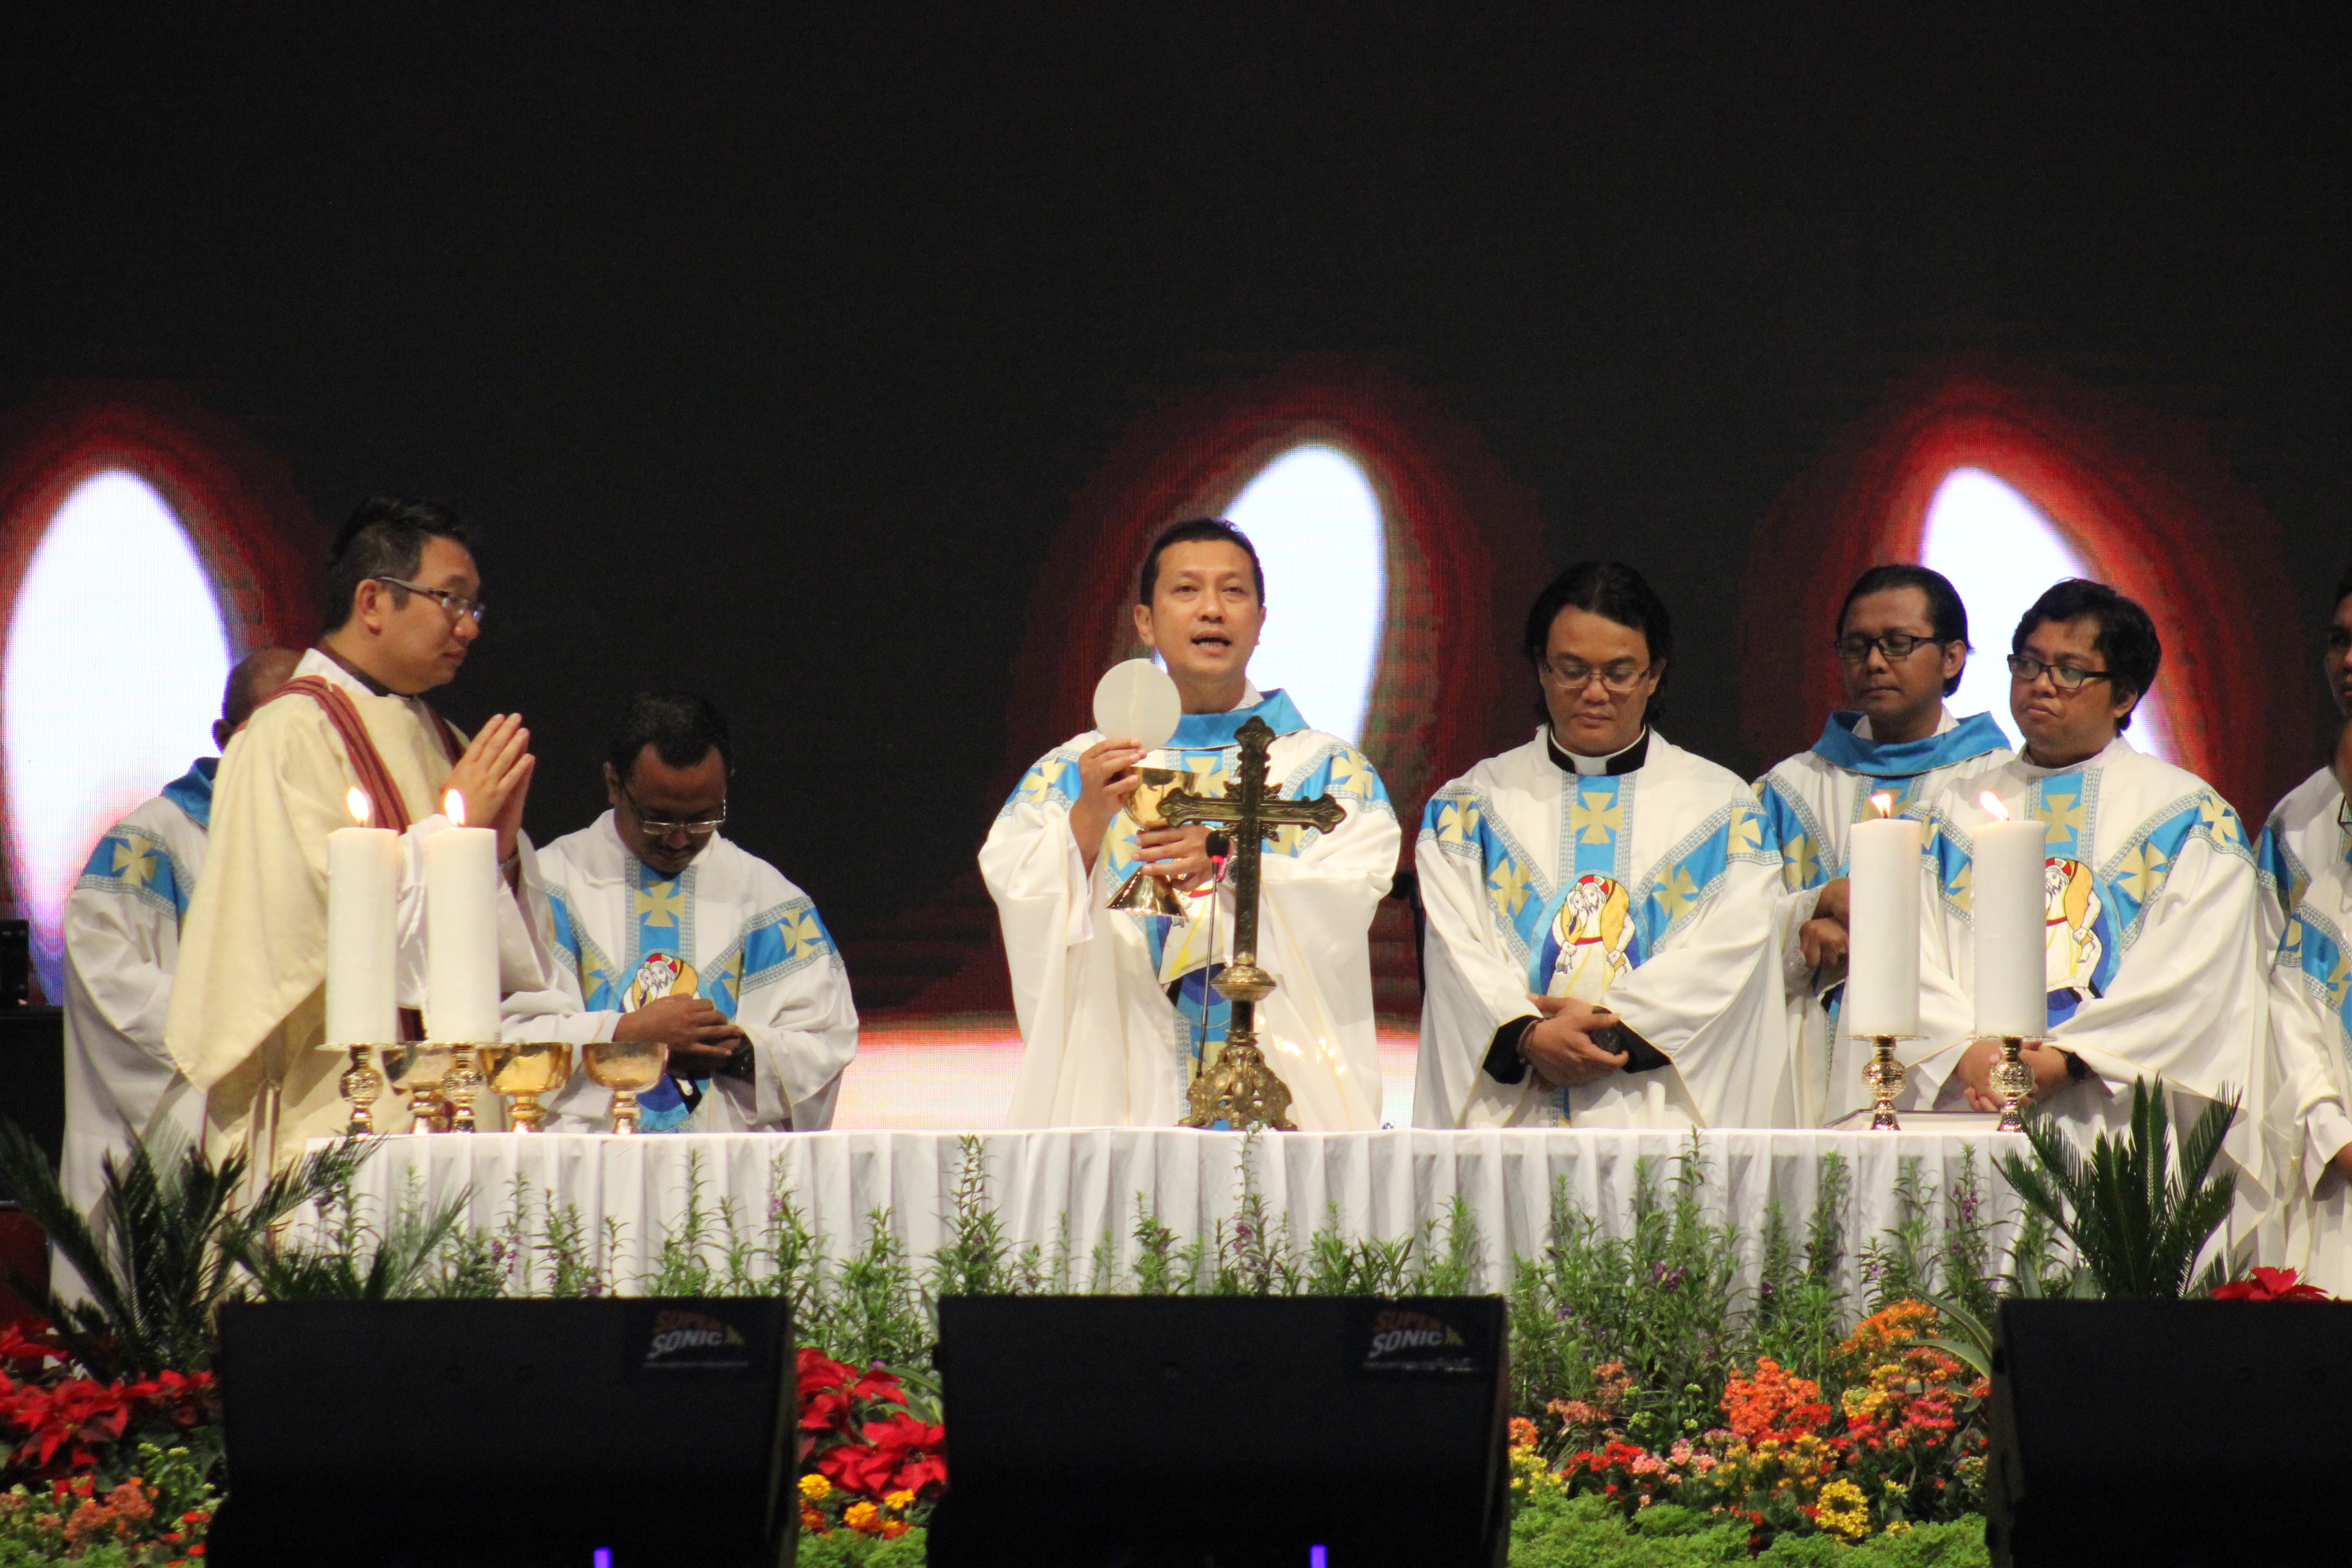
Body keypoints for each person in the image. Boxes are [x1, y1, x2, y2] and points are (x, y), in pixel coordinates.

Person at [165, 496, 553, 1166]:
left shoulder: (445, 739)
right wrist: (450, 836)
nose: (468, 628)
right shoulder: (287, 735)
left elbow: (509, 962)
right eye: (451, 600)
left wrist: (500, 857)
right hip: (338, 1105)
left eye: (474, 607)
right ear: (373, 601)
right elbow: (297, 931)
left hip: (460, 1109)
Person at [983, 518, 1399, 1130]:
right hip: (1124, 1081)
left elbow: (1349, 895)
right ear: (1145, 621)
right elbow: (1019, 886)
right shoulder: (1080, 770)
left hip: (1283, 1079)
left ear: (1260, 620)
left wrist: (1233, 864)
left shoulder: (1326, 771)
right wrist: (1087, 821)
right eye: (1186, 590)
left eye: (1233, 591)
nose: (1211, 609)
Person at [1413, 562, 1791, 1129]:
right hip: (1515, 1126)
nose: (1594, 693)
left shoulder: (1724, 809)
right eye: (1572, 671)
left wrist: (1610, 1036)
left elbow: (1733, 950)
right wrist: (1527, 1035)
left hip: (1655, 1120)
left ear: (1654, 674)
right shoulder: (1468, 808)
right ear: (1540, 668)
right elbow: (1454, 951)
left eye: (1618, 673)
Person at [1914, 581, 2261, 1178]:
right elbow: (1909, 950)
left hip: (2118, 1127)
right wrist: (1967, 1055)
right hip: (1972, 1110)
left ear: (2124, 695)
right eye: (2028, 663)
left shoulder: (2188, 815)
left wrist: (2071, 1059)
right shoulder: (1953, 807)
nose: (2041, 684)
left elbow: (2195, 974)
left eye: (2070, 671)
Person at [503, 692, 858, 1131]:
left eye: (703, 818)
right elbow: (510, 1037)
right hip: (588, 1164)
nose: (679, 839)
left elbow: (825, 1043)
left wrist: (731, 1051)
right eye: (658, 818)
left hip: (723, 1169)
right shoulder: (548, 886)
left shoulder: (768, 900)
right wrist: (628, 1035)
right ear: (614, 784)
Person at [1753, 564, 2010, 1124]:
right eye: (1857, 646)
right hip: (1804, 1071)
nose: (1873, 662)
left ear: (1953, 657)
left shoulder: (1997, 789)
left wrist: (1868, 939)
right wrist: (1811, 910)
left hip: (1944, 1086)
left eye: (1897, 643)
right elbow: (1732, 927)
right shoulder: (1787, 790)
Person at [61, 647, 299, 1217]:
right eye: (271, 727)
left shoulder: (330, 843)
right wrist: (236, 1023)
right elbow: (107, 977)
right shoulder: (151, 841)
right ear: (225, 736)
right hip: (191, 1132)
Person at [2255, 575, 2352, 1288]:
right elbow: (2271, 999)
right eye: (2339, 641)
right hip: (2336, 1177)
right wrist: (2331, 1133)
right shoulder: (2295, 825)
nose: (2349, 661)